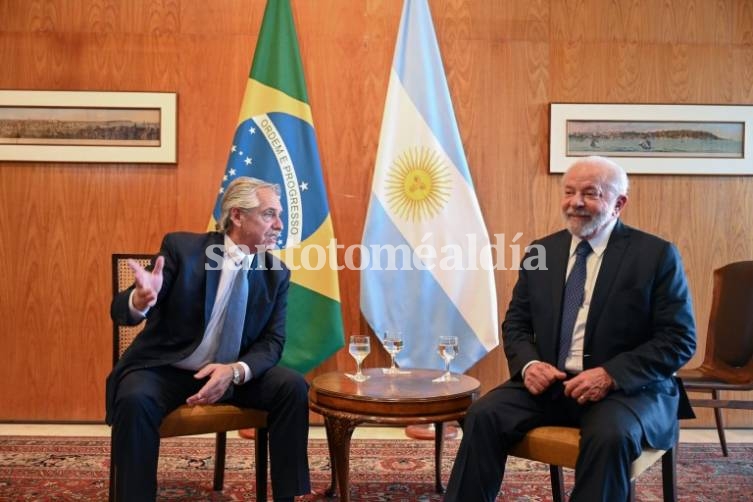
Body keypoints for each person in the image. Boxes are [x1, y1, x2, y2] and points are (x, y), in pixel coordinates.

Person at [444, 156, 696, 501]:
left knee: (610, 438)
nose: (575, 202)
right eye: (569, 192)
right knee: (482, 415)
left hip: (626, 390)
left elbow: (679, 339)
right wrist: (529, 365)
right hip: (553, 384)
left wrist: (609, 375)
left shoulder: (656, 255)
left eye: (590, 193)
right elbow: (516, 323)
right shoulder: (541, 251)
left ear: (618, 203)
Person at [107, 177, 310, 502]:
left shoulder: (276, 273)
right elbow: (120, 311)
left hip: (231, 374)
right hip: (168, 369)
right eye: (269, 214)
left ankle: (290, 496)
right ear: (238, 215)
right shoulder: (182, 249)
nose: (279, 224)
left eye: (279, 214)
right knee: (134, 400)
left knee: (292, 387)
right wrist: (140, 299)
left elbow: (272, 342)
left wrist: (235, 371)